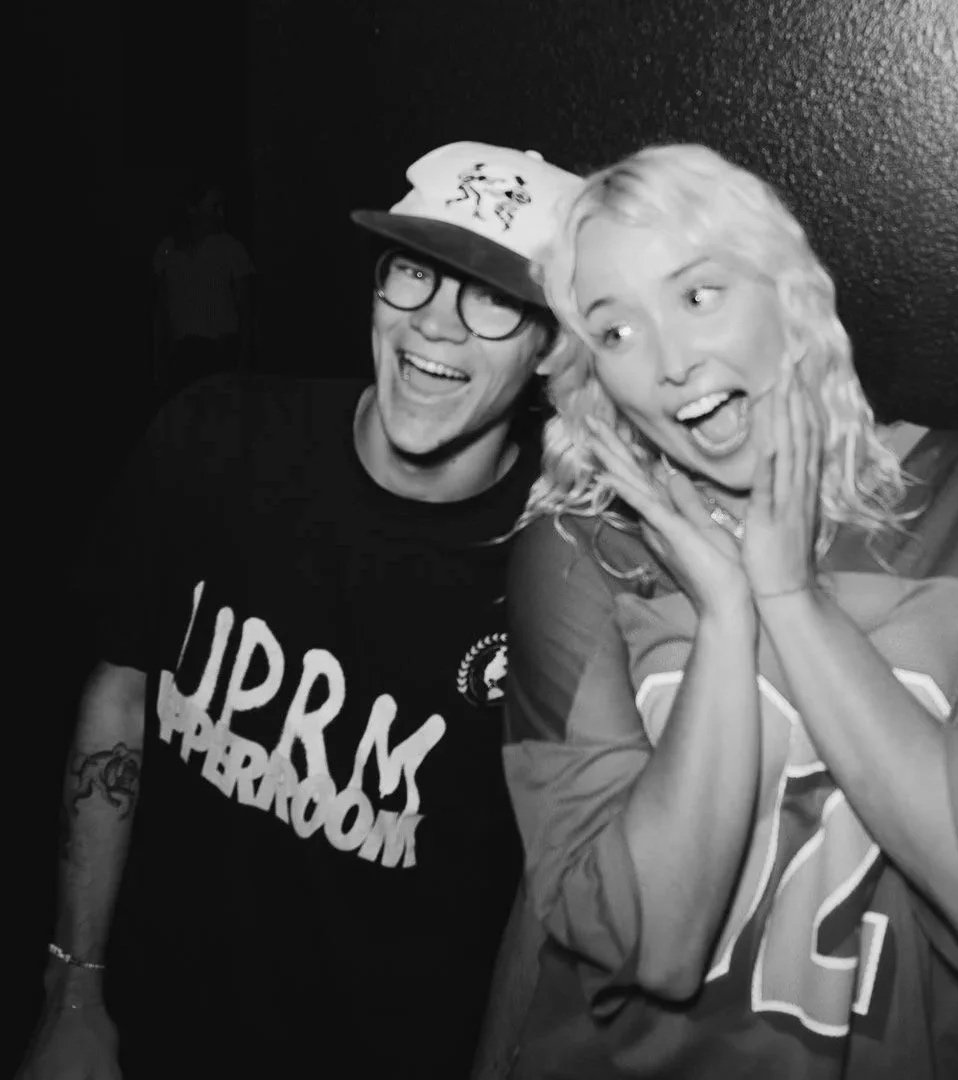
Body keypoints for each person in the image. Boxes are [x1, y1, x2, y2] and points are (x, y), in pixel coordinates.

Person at [499, 144, 958, 1078]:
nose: (673, 363)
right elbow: (658, 940)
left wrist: (787, 595)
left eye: (697, 295)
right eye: (614, 331)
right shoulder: (577, 551)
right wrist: (726, 613)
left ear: (788, 293)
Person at [19, 140, 582, 1080]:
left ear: (551, 345)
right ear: (375, 288)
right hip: (151, 1029)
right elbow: (119, 694)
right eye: (415, 273)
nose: (435, 325)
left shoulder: (563, 571)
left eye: (493, 296)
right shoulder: (213, 438)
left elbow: (545, 888)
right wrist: (72, 988)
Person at [151, 180, 255, 400]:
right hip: (182, 356)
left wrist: (243, 362)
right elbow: (161, 308)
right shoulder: (168, 249)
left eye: (222, 207)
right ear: (192, 208)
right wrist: (158, 358)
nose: (221, 214)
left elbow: (246, 310)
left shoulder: (231, 248)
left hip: (221, 352)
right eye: (214, 206)